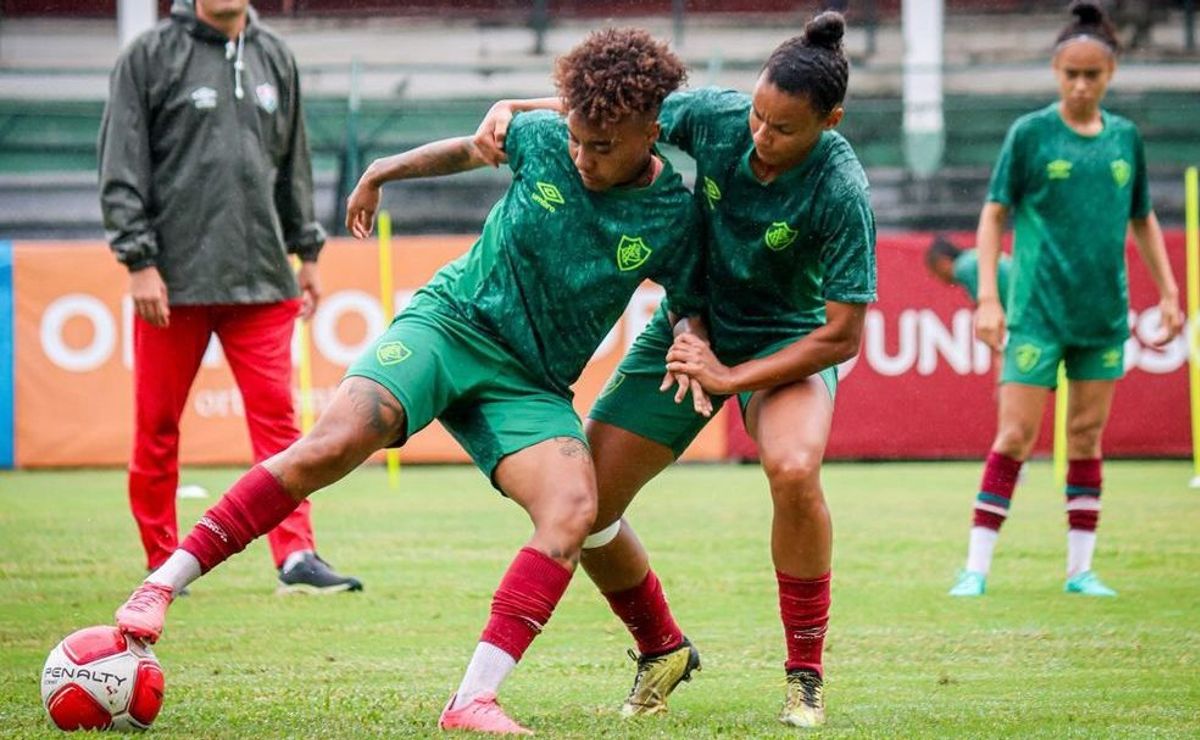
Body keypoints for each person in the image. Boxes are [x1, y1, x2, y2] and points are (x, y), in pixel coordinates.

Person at [113, 28, 703, 733]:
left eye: (601, 147)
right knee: (332, 443)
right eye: (575, 139)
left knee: (575, 509)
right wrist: (383, 170)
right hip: (448, 326)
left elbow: (691, 298)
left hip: (531, 384)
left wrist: (691, 338)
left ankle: (472, 699)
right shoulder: (545, 138)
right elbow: (469, 149)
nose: (581, 157)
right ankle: (158, 589)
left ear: (650, 133)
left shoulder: (675, 213)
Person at [473, 11, 875, 727]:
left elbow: (841, 336)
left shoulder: (841, 187)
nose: (760, 136)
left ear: (831, 120)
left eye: (783, 129)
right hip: (689, 328)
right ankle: (661, 647)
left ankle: (804, 674)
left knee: (791, 469)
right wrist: (514, 107)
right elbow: (620, 115)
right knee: (586, 501)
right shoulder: (718, 119)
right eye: (756, 115)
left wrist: (727, 379)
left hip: (785, 344)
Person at [97, 0, 361, 595]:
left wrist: (308, 251)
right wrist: (138, 261)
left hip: (264, 280)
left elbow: (294, 164)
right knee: (157, 426)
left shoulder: (274, 55)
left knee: (282, 429)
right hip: (173, 282)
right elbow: (121, 165)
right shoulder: (147, 55)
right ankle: (163, 560)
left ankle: (296, 557)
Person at [947, 1, 1182, 599]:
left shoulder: (1126, 139)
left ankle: (1081, 570)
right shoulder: (1029, 134)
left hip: (1102, 317)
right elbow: (993, 215)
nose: (1080, 85)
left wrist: (1171, 292)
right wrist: (989, 298)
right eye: (1070, 74)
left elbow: (1145, 219)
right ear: (1056, 71)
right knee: (1015, 438)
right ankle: (975, 567)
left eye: (1092, 75)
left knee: (1084, 437)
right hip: (1035, 315)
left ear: (1111, 75)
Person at [924, 234, 1012, 308]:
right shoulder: (970, 257)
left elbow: (987, 310)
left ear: (942, 263)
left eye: (935, 272)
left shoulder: (962, 269)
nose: (937, 278)